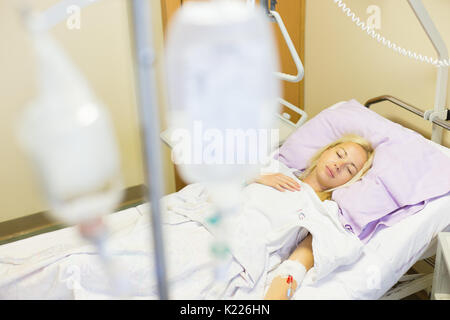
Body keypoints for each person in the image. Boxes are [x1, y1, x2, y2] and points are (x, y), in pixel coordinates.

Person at [256, 134, 375, 300]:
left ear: (351, 181)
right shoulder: (273, 169)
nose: (339, 165)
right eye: (339, 155)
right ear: (326, 151)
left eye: (350, 169)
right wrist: (255, 178)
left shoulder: (323, 213)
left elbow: (293, 270)